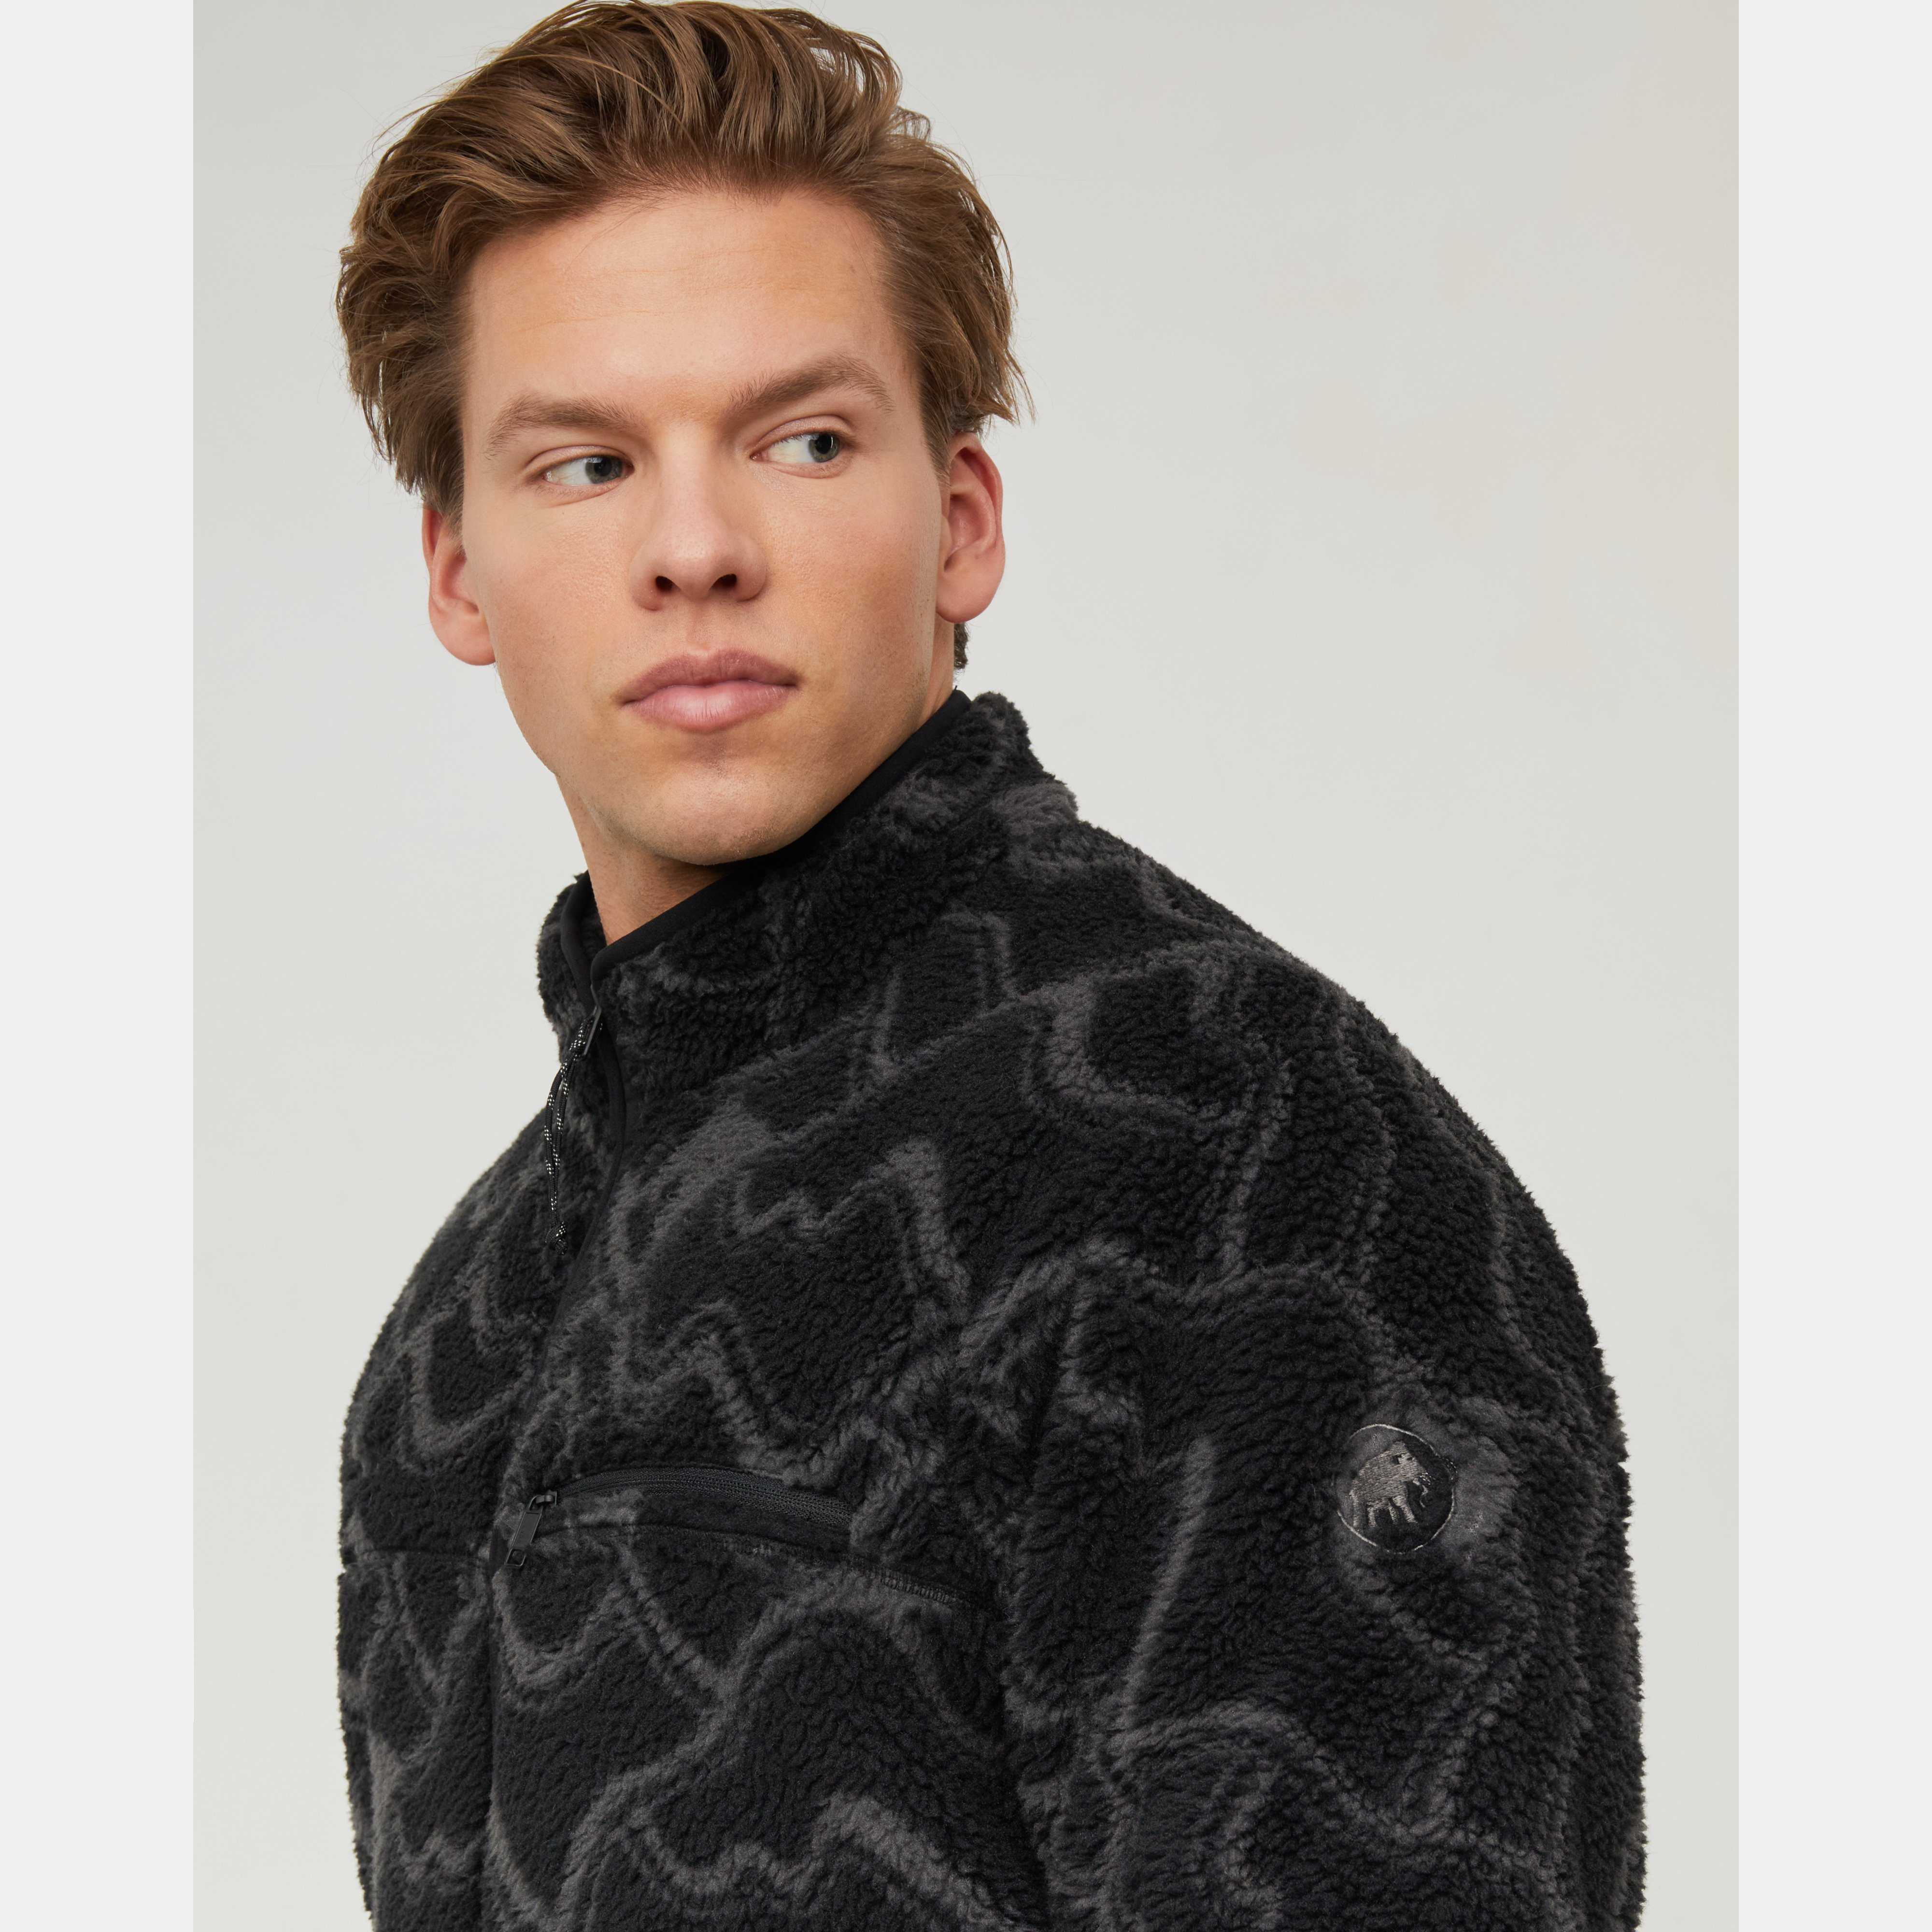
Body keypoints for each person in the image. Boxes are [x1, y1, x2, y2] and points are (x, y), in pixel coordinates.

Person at [332, 5, 1645, 1928]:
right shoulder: (460, 1331)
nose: (695, 546)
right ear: (459, 569)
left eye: (802, 439)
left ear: (958, 524)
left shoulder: (1228, 1138)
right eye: (585, 462)